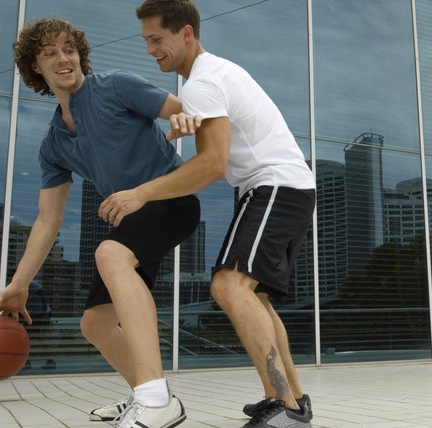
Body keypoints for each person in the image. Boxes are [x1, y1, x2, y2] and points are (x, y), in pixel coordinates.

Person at [98, 1, 316, 427]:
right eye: (145, 41)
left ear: (186, 34)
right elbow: (213, 140)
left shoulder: (203, 81)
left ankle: (284, 407)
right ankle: (294, 400)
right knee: (252, 294)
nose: (150, 50)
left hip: (275, 185)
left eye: (156, 39)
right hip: (282, 187)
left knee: (229, 287)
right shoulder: (212, 76)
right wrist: (188, 124)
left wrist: (140, 194)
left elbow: (212, 165)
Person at [0, 17, 201, 428]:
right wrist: (18, 285)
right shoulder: (53, 143)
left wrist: (184, 118)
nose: (63, 58)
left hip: (171, 202)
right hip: (132, 219)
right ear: (36, 67)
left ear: (80, 56)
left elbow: (185, 111)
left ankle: (156, 400)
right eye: (50, 53)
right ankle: (146, 393)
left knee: (110, 253)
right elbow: (48, 220)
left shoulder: (116, 86)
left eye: (69, 49)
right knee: (95, 323)